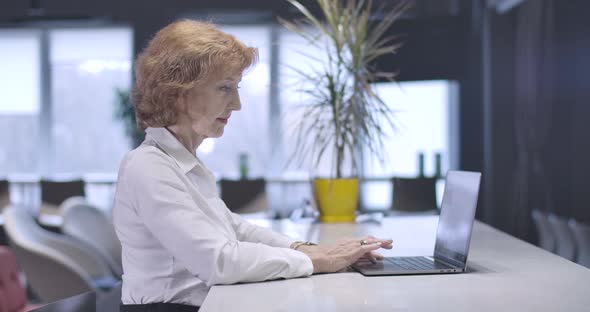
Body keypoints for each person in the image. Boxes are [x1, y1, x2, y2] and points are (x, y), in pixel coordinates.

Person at [113, 19, 393, 312]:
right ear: (179, 92)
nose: (236, 104)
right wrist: (317, 261)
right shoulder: (147, 167)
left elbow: (233, 228)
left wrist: (305, 249)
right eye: (224, 88)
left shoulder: (179, 161)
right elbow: (218, 261)